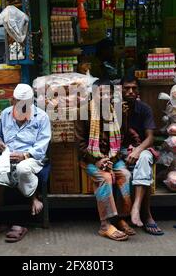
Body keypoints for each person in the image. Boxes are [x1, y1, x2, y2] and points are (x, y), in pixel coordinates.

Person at [0, 84, 51, 242]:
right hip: (9, 155)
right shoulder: (5, 114)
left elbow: (42, 147)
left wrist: (25, 155)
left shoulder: (41, 117)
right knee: (0, 168)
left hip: (32, 158)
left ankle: (32, 202)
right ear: (12, 100)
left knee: (21, 169)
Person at [75, 79, 135, 241]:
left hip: (113, 157)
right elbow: (80, 145)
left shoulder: (119, 112)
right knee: (105, 178)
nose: (105, 97)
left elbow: (120, 140)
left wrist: (111, 159)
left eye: (108, 94)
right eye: (101, 94)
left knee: (125, 175)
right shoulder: (83, 112)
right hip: (90, 160)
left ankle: (120, 218)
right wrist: (96, 161)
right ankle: (105, 224)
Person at [121, 74, 164, 236]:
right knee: (133, 169)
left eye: (134, 88)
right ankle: (146, 216)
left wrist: (138, 150)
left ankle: (137, 208)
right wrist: (122, 116)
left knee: (145, 158)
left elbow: (150, 137)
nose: (131, 92)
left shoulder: (144, 108)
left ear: (138, 91)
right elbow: (112, 137)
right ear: (121, 90)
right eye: (127, 89)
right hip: (120, 151)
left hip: (141, 149)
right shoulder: (113, 109)